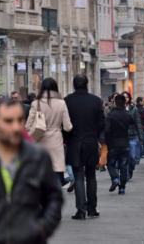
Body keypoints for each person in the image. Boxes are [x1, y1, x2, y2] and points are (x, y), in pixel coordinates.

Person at [0, 99, 63, 243]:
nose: (15, 127)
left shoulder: (37, 156)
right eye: (8, 121)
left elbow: (54, 197)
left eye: (20, 120)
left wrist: (42, 229)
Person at [64, 75, 105, 220]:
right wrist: (93, 135)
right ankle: (92, 208)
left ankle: (80, 211)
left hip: (75, 142)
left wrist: (68, 139)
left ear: (73, 85)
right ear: (87, 85)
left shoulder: (67, 100)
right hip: (90, 142)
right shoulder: (96, 100)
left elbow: (65, 124)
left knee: (78, 176)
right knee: (91, 175)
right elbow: (101, 123)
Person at [26, 78, 73, 187]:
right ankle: (54, 200)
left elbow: (28, 125)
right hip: (56, 139)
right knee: (56, 171)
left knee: (40, 172)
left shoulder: (35, 103)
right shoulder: (61, 103)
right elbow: (68, 127)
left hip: (39, 139)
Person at [105, 95, 135, 195]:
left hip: (113, 144)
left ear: (115, 103)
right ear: (125, 104)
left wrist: (108, 142)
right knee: (123, 167)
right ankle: (122, 188)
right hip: (125, 143)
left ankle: (114, 179)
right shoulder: (127, 114)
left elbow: (107, 130)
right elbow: (132, 122)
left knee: (110, 164)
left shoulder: (110, 115)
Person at [122, 91, 144, 180]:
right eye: (123, 97)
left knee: (132, 157)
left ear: (129, 98)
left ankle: (131, 169)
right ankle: (126, 174)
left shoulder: (134, 109)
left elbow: (138, 123)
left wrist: (141, 137)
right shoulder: (119, 109)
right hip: (122, 137)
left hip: (132, 137)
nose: (125, 99)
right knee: (124, 158)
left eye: (127, 97)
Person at [97, 92, 119, 172]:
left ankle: (100, 164)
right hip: (105, 132)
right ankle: (102, 164)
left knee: (103, 149)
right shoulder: (106, 109)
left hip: (105, 132)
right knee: (104, 149)